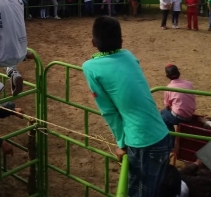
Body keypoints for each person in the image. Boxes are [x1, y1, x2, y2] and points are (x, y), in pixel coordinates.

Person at [82, 17, 170, 197]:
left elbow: (108, 111)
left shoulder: (90, 67)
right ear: (121, 41)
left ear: (93, 42)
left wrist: (121, 144)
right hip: (162, 135)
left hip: (142, 142)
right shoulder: (129, 55)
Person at [160, 64, 196, 147]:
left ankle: (172, 143)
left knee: (162, 118)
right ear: (179, 73)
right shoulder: (189, 84)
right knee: (163, 113)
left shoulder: (169, 88)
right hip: (190, 114)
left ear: (167, 76)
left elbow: (167, 106)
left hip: (179, 116)